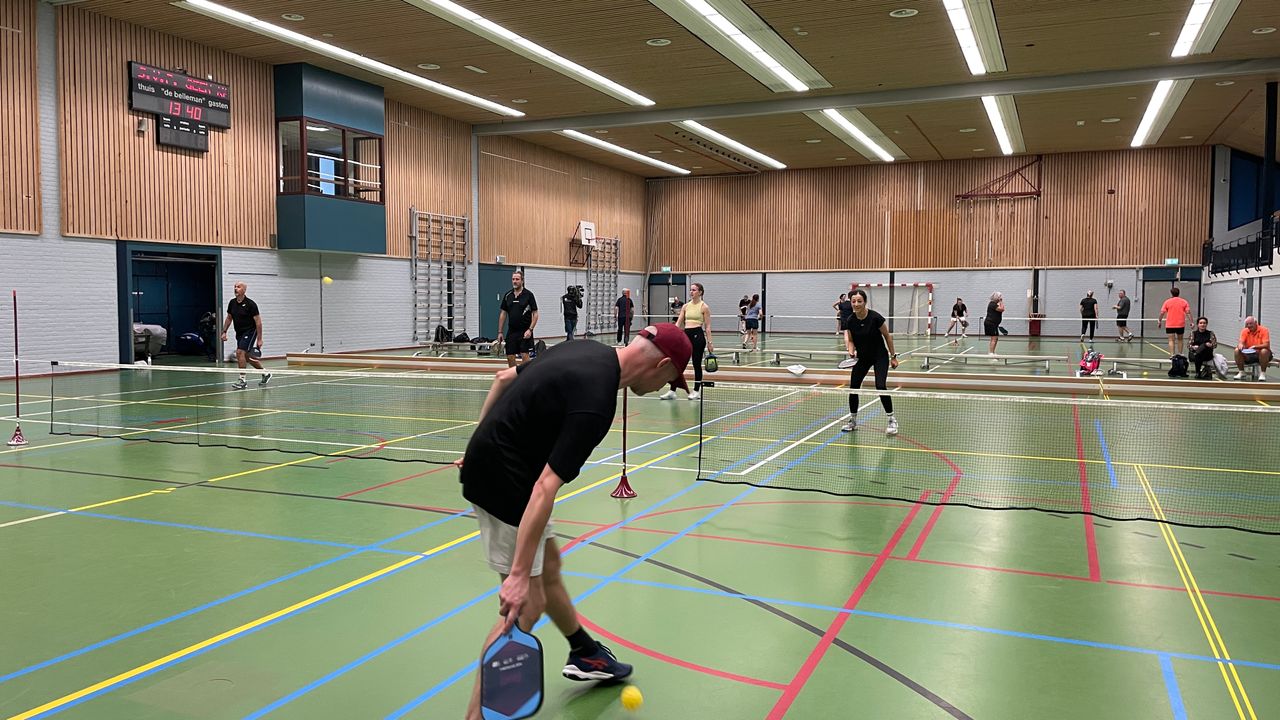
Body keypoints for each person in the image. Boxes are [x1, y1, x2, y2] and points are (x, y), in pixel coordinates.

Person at [458, 324, 692, 720]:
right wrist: (516, 575)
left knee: (549, 569)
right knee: (526, 607)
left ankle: (585, 653)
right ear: (663, 365)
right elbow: (545, 488)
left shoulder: (585, 349)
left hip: (494, 463)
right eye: (672, 380)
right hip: (506, 485)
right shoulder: (597, 402)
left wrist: (478, 443)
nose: (662, 389)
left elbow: (501, 379)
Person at [840, 289, 899, 436]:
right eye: (853, 301)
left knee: (880, 386)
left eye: (859, 301)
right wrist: (851, 350)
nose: (856, 304)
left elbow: (887, 336)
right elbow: (851, 340)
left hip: (879, 356)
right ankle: (853, 420)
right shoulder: (850, 321)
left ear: (865, 302)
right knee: (853, 387)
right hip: (863, 358)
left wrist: (893, 356)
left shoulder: (875, 317)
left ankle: (892, 420)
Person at [661, 282, 713, 401]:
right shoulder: (685, 306)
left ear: (700, 292)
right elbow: (678, 323)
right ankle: (672, 390)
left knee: (696, 363)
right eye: (691, 290)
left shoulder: (704, 307)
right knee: (678, 364)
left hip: (698, 336)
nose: (691, 292)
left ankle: (696, 390)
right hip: (686, 335)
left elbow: (708, 327)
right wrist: (672, 335)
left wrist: (710, 343)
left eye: (694, 290)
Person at [219, 282, 271, 390]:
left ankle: (242, 380)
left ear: (244, 290)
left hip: (250, 332)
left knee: (239, 352)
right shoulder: (232, 303)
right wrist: (224, 331)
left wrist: (260, 339)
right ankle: (265, 373)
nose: (235, 289)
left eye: (238, 287)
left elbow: (258, 322)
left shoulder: (251, 304)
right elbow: (229, 318)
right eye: (235, 287)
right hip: (240, 333)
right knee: (246, 357)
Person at [498, 270, 538, 368]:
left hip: (525, 332)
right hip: (512, 331)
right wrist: (500, 332)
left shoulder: (529, 295)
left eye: (517, 279)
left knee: (525, 356)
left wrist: (530, 329)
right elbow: (503, 313)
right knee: (510, 356)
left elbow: (535, 313)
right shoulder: (508, 296)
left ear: (522, 281)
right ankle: (515, 378)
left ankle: (526, 378)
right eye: (513, 279)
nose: (515, 281)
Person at [1233, 316, 1271, 382]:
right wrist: (1240, 345)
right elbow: (1241, 342)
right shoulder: (1244, 331)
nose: (1249, 325)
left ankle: (1262, 373)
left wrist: (1255, 346)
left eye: (1251, 323)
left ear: (1256, 323)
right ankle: (1241, 372)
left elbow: (1266, 345)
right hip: (1249, 354)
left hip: (1261, 354)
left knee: (1264, 351)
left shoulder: (1264, 330)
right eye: (1247, 324)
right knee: (1237, 350)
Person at [1158, 286, 1191, 356]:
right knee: (1180, 339)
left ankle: (1172, 355)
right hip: (1180, 324)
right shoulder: (1184, 301)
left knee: (1171, 340)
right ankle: (1180, 354)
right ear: (1179, 293)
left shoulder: (1167, 302)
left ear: (1171, 294)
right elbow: (1188, 312)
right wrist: (1191, 322)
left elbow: (1162, 312)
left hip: (1170, 324)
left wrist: (1159, 320)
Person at [984, 291, 1005, 357]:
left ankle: (992, 352)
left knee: (995, 338)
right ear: (997, 297)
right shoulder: (992, 304)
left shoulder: (995, 304)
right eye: (999, 297)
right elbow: (1002, 309)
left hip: (994, 324)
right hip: (991, 323)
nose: (1000, 298)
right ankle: (990, 353)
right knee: (994, 338)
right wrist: (1001, 302)